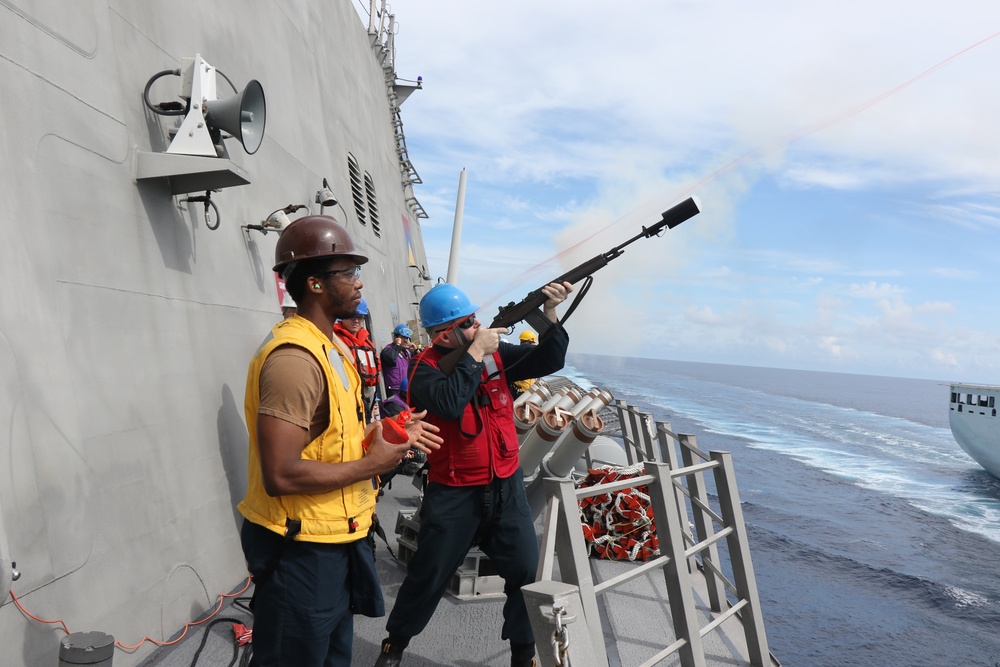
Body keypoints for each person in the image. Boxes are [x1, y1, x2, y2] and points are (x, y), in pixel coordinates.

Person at [237, 215, 442, 667]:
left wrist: (388, 435)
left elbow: (333, 436)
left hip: (336, 538)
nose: (358, 283)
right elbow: (280, 474)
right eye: (347, 273)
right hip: (300, 549)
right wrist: (375, 464)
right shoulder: (295, 360)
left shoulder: (335, 350)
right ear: (313, 283)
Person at [373, 281, 573, 667]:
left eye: (475, 319)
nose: (477, 327)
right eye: (468, 323)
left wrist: (549, 314)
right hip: (454, 492)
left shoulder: (494, 357)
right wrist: (476, 352)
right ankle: (394, 644)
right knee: (428, 576)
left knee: (526, 575)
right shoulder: (422, 369)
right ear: (442, 333)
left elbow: (550, 360)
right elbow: (448, 404)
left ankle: (523, 654)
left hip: (506, 487)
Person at [334, 297, 381, 421]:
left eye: (360, 318)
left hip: (368, 392)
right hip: (348, 392)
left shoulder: (366, 341)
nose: (356, 321)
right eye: (351, 316)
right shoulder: (335, 340)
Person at [380, 324, 414, 399]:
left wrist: (416, 350)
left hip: (406, 388)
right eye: (403, 337)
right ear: (395, 337)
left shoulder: (406, 352)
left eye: (407, 338)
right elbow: (391, 359)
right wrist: (398, 344)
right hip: (394, 389)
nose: (405, 340)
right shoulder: (388, 350)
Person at [509, 330, 538, 398]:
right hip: (519, 391)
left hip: (526, 391)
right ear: (527, 342)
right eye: (532, 343)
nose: (533, 345)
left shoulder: (525, 354)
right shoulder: (520, 355)